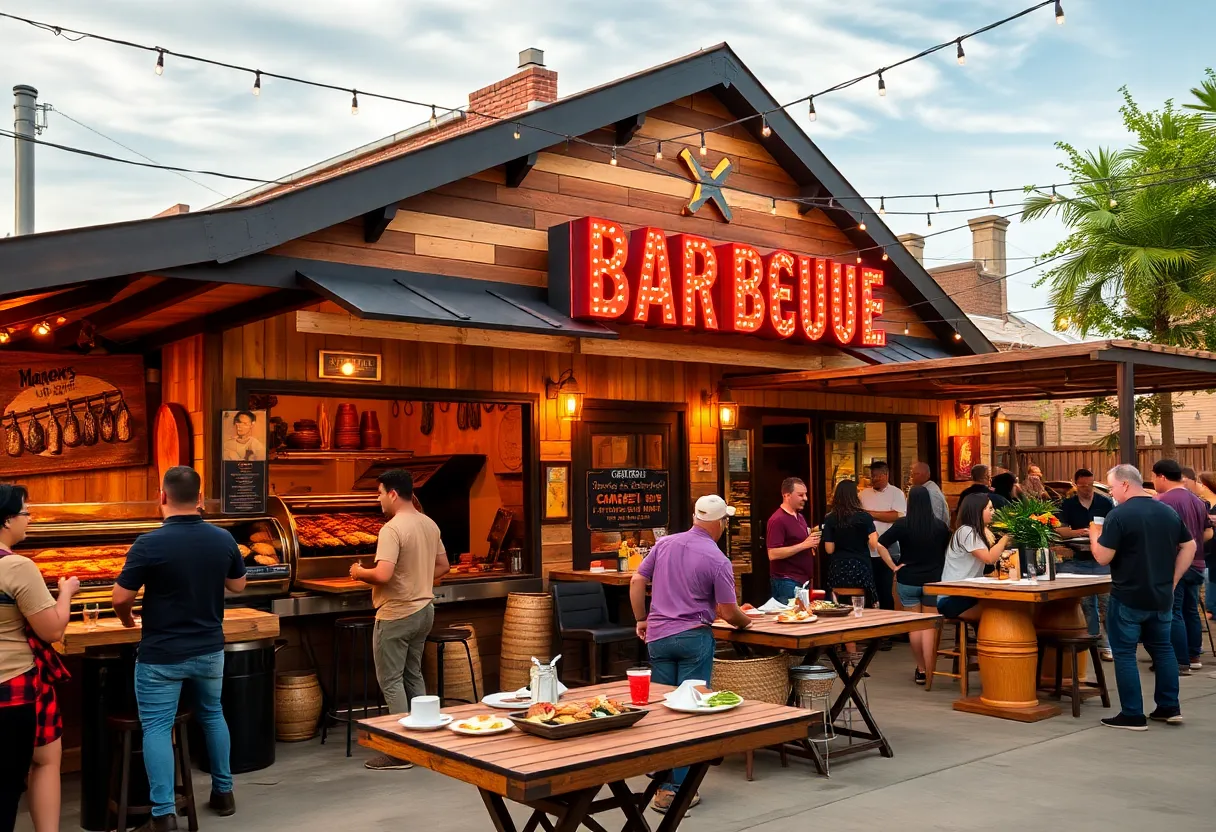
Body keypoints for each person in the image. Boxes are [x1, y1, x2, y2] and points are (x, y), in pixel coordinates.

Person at [112, 467, 246, 831]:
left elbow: (120, 597)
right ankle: (224, 793)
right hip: (209, 649)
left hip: (162, 655)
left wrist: (127, 620)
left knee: (156, 727)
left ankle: (164, 814)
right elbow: (238, 586)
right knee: (213, 714)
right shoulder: (223, 539)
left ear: (163, 497)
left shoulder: (148, 543)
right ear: (200, 499)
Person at [630, 495, 750, 814]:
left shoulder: (666, 543)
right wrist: (746, 620)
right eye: (726, 521)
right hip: (694, 637)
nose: (726, 526)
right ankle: (676, 788)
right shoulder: (718, 559)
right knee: (689, 712)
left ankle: (662, 777)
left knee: (663, 710)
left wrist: (641, 618)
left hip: (658, 637)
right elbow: (727, 611)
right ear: (719, 523)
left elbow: (637, 578)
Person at [353, 469, 450, 772]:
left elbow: (382, 574)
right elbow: (444, 565)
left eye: (379, 492)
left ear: (393, 494)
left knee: (391, 681)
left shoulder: (391, 529)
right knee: (413, 675)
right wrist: (416, 578)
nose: (378, 499)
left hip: (396, 613)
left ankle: (399, 752)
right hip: (424, 611)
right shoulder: (429, 523)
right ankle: (423, 740)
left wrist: (358, 572)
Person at [1091, 464, 1195, 730]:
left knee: (1125, 653)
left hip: (1128, 595)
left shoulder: (1119, 515)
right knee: (1163, 649)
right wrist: (1173, 579)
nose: (1112, 492)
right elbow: (1190, 545)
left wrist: (1095, 536)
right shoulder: (1166, 511)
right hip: (1161, 595)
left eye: (1112, 486)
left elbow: (1103, 557)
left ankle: (1133, 714)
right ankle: (1169, 707)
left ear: (1125, 484)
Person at [0, 485, 78, 832]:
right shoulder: (17, 567)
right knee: (39, 764)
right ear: (6, 520)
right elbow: (52, 630)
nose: (28, 519)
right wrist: (66, 594)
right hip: (13, 688)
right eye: (25, 512)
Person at [875, 486, 950, 684]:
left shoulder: (902, 524)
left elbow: (880, 544)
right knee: (929, 625)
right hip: (934, 580)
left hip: (907, 578)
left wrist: (893, 566)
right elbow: (945, 551)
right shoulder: (940, 526)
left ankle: (921, 668)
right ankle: (931, 669)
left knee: (915, 625)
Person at [1150, 459, 1212, 674]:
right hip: (1198, 563)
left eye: (1153, 477)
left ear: (1161, 477)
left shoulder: (1162, 501)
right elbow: (1209, 531)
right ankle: (1194, 655)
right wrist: (1194, 545)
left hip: (1175, 563)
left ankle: (1180, 660)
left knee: (1174, 611)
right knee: (1191, 610)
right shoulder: (1197, 500)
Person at [1054, 468, 1115, 661]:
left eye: (1090, 484)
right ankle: (1092, 642)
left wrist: (1098, 532)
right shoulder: (1068, 505)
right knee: (1087, 605)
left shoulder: (1104, 502)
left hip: (1102, 560)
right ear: (1075, 485)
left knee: (1108, 604)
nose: (1087, 489)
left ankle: (1109, 645)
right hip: (1078, 559)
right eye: (1082, 485)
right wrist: (1079, 532)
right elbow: (1061, 531)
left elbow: (1114, 527)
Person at [938, 493, 1011, 622]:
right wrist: (1005, 539)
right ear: (978, 511)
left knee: (1003, 604)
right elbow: (988, 558)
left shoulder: (977, 532)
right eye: (990, 508)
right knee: (1002, 610)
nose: (994, 512)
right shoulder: (967, 531)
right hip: (952, 598)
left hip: (967, 594)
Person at [822, 480, 879, 606]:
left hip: (838, 571)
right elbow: (874, 545)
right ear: (854, 496)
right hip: (861, 570)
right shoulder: (865, 517)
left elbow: (829, 549)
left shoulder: (830, 518)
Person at [858, 462, 905, 610]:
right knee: (866, 591)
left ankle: (888, 626)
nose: (874, 479)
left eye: (877, 476)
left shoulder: (896, 493)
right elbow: (858, 516)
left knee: (885, 590)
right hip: (865, 550)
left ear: (886, 475)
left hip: (888, 548)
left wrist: (870, 514)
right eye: (872, 476)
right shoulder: (863, 494)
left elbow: (897, 516)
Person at [765, 477, 818, 604]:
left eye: (805, 494)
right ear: (787, 495)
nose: (805, 498)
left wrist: (812, 541)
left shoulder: (800, 517)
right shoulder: (777, 520)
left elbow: (801, 542)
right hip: (787, 581)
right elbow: (773, 553)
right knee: (792, 619)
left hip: (803, 580)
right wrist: (804, 545)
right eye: (800, 495)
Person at [910, 461, 950, 526]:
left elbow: (936, 518)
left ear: (927, 475)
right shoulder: (923, 490)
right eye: (911, 474)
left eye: (916, 474)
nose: (912, 477)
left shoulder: (931, 492)